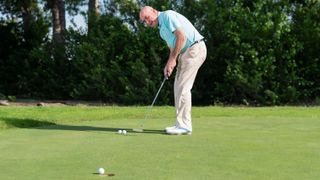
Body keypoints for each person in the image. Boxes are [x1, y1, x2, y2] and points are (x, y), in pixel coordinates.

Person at [140, 6, 207, 135]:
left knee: (183, 87)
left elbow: (182, 37)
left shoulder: (167, 16)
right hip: (186, 53)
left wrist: (173, 60)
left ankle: (184, 125)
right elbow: (173, 47)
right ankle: (181, 124)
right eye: (144, 22)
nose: (147, 22)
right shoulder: (161, 32)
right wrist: (169, 64)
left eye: (147, 18)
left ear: (154, 11)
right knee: (178, 87)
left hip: (194, 48)